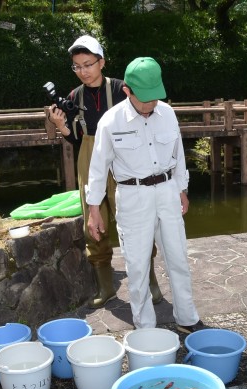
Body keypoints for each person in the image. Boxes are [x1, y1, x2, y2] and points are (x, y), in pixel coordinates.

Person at [86, 57, 205, 333]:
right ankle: (146, 328)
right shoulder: (111, 122)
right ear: (127, 91)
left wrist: (182, 189)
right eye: (145, 99)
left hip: (167, 191)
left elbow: (178, 157)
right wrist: (94, 210)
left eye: (155, 97)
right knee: (137, 266)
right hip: (132, 195)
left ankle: (187, 318)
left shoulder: (168, 113)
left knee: (178, 257)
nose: (151, 104)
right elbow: (98, 167)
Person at [48, 35, 163, 309]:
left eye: (88, 64)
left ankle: (149, 281)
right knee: (94, 220)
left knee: (136, 217)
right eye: (77, 66)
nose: (83, 71)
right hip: (89, 154)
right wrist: (61, 125)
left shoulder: (123, 88)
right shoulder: (75, 96)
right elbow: (77, 138)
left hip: (125, 155)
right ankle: (105, 285)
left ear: (102, 62)